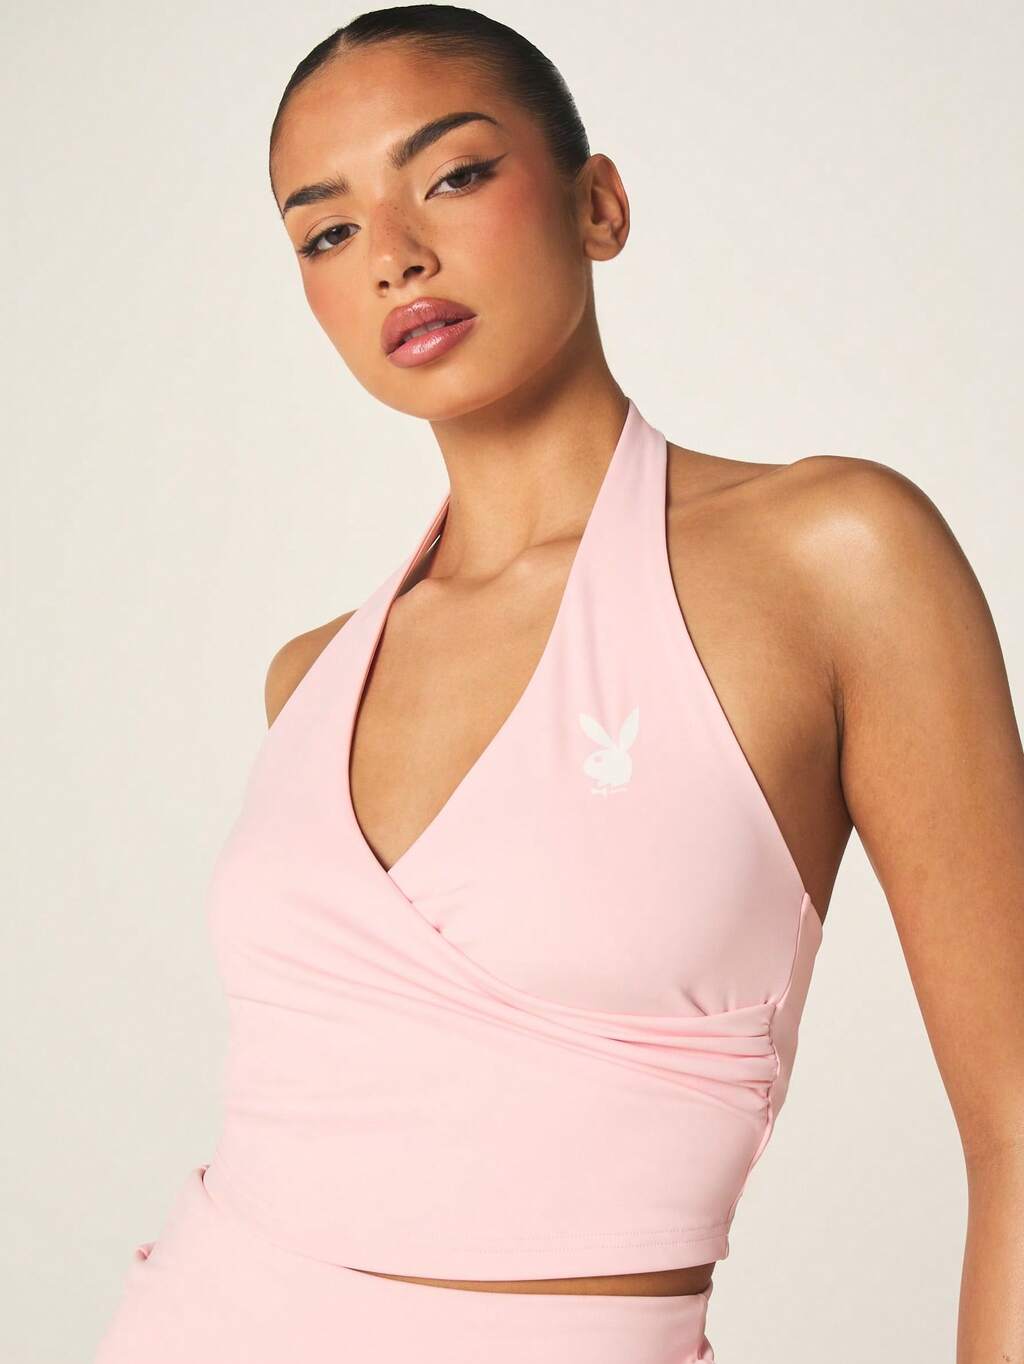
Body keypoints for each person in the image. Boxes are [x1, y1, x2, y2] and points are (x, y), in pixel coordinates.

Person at [94, 6, 1024, 1362]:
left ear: (599, 204)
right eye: (327, 232)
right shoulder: (308, 680)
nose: (394, 254)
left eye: (454, 174)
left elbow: (1016, 1127)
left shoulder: (834, 558)